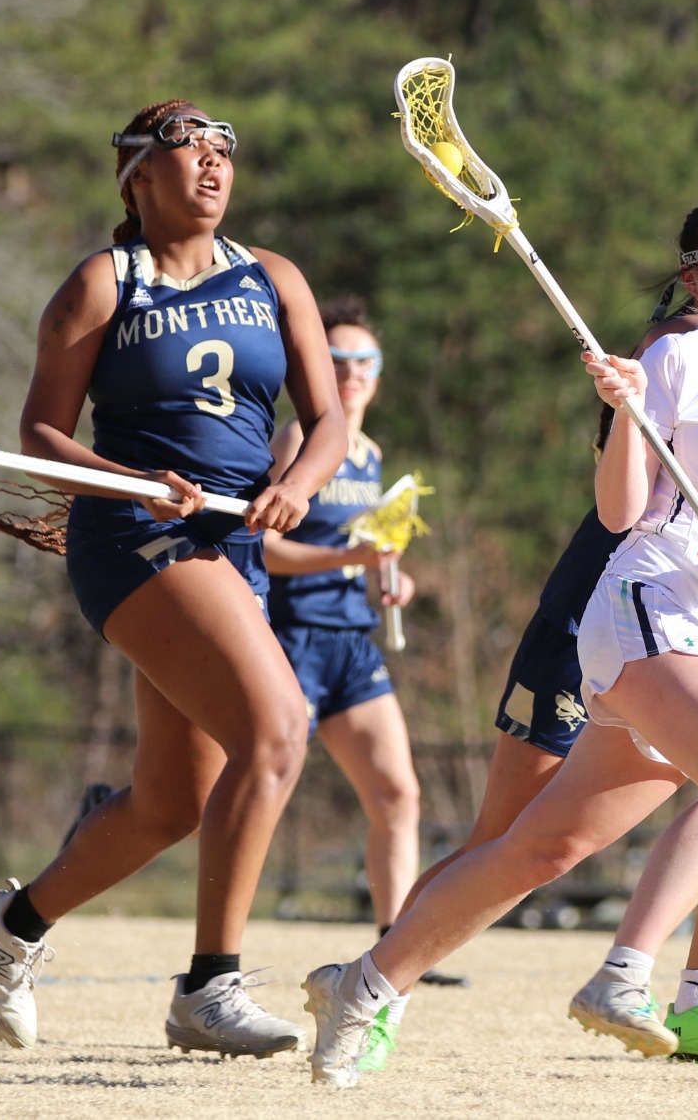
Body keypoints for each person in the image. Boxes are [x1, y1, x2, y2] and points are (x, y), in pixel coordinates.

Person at [301, 191, 698, 1085]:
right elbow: (620, 510)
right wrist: (625, 413)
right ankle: (623, 977)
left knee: (541, 848)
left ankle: (365, 982)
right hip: (646, 608)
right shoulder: (685, 360)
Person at [0, 100, 346, 1057]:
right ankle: (209, 987)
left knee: (171, 802)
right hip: (135, 534)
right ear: (137, 177)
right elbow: (41, 434)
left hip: (236, 544)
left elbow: (327, 418)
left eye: (223, 155)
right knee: (279, 729)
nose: (212, 169)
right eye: (189, 154)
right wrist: (137, 481)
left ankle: (12, 923)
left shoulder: (274, 277)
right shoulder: (102, 283)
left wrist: (296, 485)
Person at [259, 297, 433, 1068]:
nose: (352, 373)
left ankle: (393, 963)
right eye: (335, 360)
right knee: (253, 789)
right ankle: (214, 961)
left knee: (399, 797)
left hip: (351, 643)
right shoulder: (303, 437)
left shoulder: (372, 454)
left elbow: (376, 554)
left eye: (365, 362)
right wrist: (350, 563)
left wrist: (394, 582)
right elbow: (267, 550)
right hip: (289, 638)